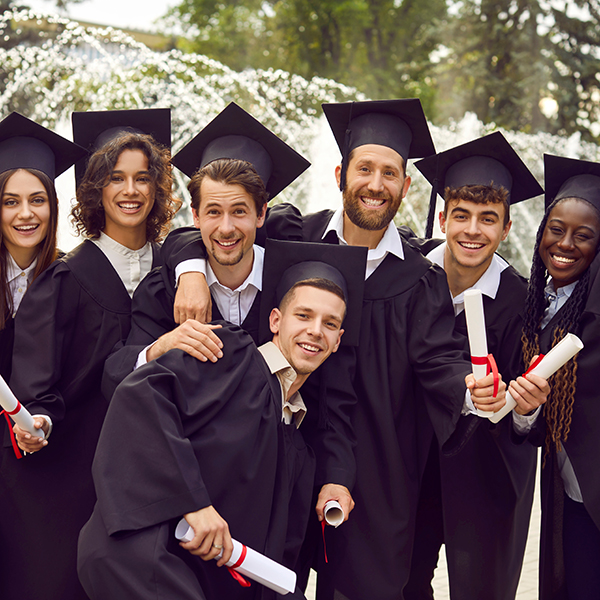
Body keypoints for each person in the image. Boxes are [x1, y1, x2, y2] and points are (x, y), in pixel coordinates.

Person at [167, 99, 509, 599]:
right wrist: (191, 269)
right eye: (364, 169)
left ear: (406, 187)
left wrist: (472, 389)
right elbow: (207, 229)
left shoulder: (420, 279)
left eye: (390, 172)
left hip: (373, 478)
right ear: (340, 174)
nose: (375, 183)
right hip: (277, 461)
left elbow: (441, 361)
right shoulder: (294, 234)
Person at [78, 239, 367, 600]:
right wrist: (194, 504)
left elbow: (273, 557)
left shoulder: (296, 438)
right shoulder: (230, 355)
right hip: (143, 556)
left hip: (192, 581)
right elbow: (141, 397)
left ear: (338, 341)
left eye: (329, 324)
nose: (315, 331)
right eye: (304, 316)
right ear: (275, 320)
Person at [3, 108, 177, 600]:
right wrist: (39, 421)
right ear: (95, 189)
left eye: (143, 178)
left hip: (159, 482)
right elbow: (36, 388)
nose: (130, 190)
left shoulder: (179, 268)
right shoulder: (64, 280)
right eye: (116, 178)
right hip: (70, 482)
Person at [403, 132, 548, 600]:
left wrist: (524, 408)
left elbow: (529, 416)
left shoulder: (522, 301)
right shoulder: (404, 273)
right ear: (442, 218)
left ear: (506, 229)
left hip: (483, 473)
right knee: (401, 583)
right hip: (405, 466)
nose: (472, 230)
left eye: (488, 220)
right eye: (461, 216)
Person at [102, 101, 309, 401]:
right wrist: (163, 346)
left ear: (261, 213)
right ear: (195, 216)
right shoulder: (163, 291)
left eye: (239, 211)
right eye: (213, 212)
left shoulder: (293, 287)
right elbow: (115, 381)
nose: (226, 228)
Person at [515, 154, 600, 600]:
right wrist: (526, 411)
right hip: (568, 496)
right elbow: (534, 423)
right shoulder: (541, 307)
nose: (565, 243)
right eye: (555, 229)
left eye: (584, 235)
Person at [0, 112, 85, 382]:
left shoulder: (72, 279)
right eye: (10, 202)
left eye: (37, 200)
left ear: (53, 206)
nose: (25, 214)